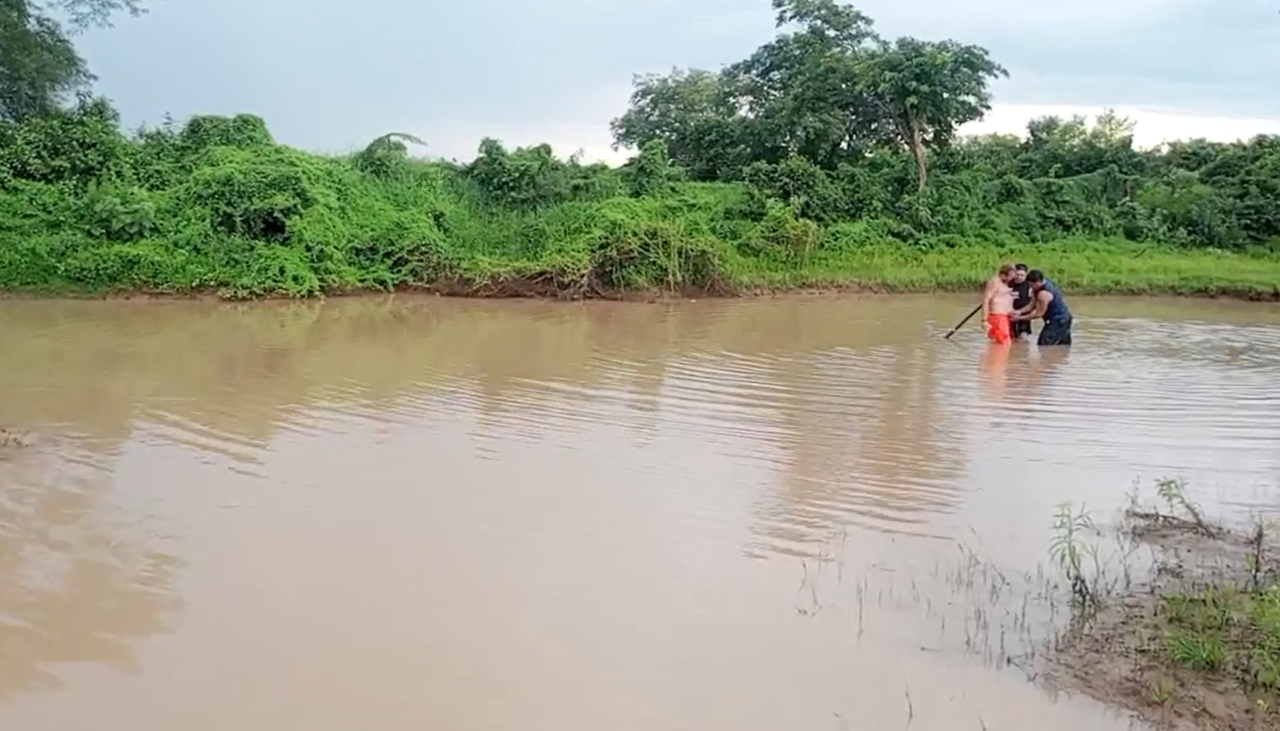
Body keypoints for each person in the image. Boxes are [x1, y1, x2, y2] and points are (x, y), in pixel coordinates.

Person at [1012, 269, 1072, 346]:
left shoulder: (1043, 294)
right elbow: (1031, 304)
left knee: (1043, 345)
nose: (1030, 287)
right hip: (1064, 318)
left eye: (1032, 285)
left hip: (1058, 320)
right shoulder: (1040, 285)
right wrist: (1019, 311)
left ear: (1038, 282)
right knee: (1061, 346)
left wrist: (1019, 318)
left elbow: (1038, 314)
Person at [981, 263, 1016, 345]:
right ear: (1003, 275)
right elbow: (986, 300)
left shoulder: (1006, 283)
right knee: (1005, 344)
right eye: (1010, 276)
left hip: (1005, 316)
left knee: (1000, 343)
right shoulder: (995, 282)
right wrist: (984, 320)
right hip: (997, 316)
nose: (1012, 278)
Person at [1009, 263, 1033, 340]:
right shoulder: (1009, 283)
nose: (1019, 277)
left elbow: (1033, 301)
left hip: (1024, 314)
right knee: (1010, 336)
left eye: (1022, 275)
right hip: (1009, 313)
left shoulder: (1030, 285)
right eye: (1017, 274)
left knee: (1023, 337)